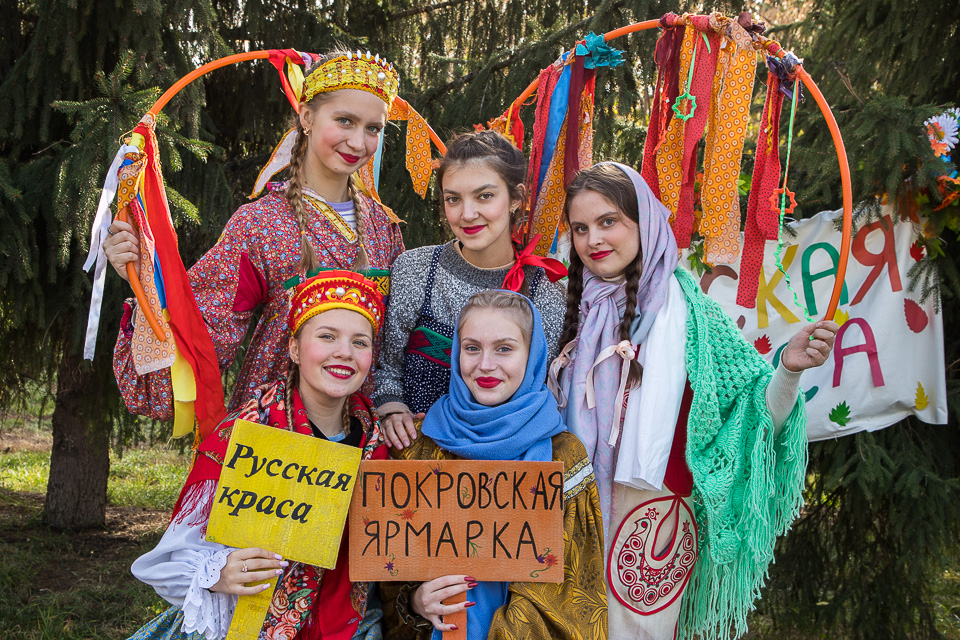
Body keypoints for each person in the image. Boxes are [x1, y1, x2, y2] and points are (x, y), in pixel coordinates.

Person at [551, 162, 839, 640]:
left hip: (651, 510)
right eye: (580, 228)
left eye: (608, 221)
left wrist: (788, 369)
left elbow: (755, 414)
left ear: (644, 222)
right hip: (570, 502)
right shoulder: (567, 305)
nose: (593, 239)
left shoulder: (694, 316)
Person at [104, 48, 405, 421]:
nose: (359, 143)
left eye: (373, 128)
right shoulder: (260, 224)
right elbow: (200, 337)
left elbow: (398, 344)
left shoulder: (384, 227)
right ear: (307, 116)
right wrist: (145, 281)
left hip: (364, 436)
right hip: (274, 435)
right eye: (344, 121)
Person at [127, 270, 389, 640]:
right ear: (294, 349)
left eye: (359, 342)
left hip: (350, 627)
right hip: (247, 623)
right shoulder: (246, 434)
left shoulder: (382, 444)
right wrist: (219, 573)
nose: (345, 352)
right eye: (327, 336)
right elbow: (169, 561)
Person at [381, 290, 605, 640]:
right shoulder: (419, 446)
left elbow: (575, 593)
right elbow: (389, 574)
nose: (485, 364)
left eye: (504, 349)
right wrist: (415, 603)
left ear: (532, 355)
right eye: (472, 348)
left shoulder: (562, 456)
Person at [374, 130, 566, 450]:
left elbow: (540, 392)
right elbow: (386, 368)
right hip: (413, 460)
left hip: (507, 466)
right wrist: (391, 408)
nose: (467, 214)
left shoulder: (546, 292)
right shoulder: (416, 270)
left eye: (484, 196)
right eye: (453, 199)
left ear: (515, 198)